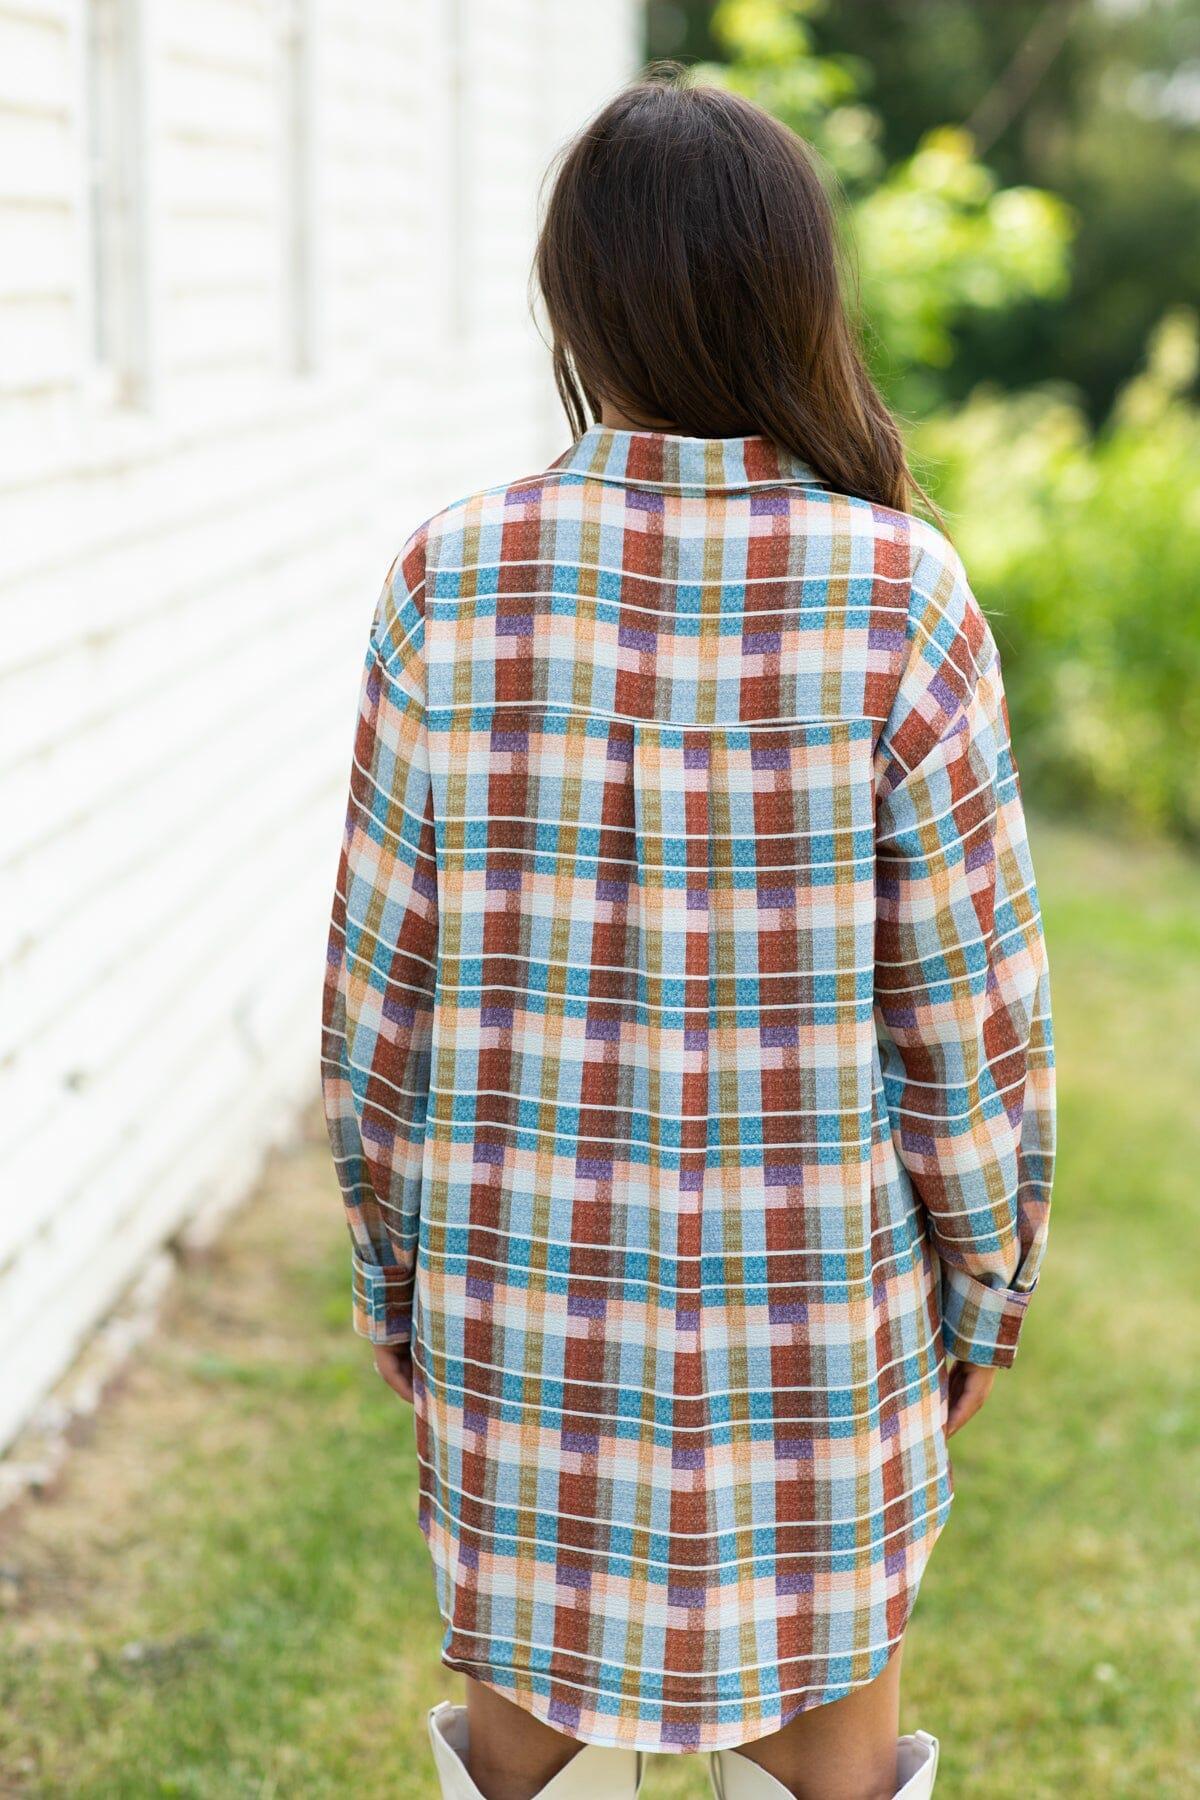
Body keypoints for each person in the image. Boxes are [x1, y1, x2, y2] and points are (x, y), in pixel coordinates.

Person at [320, 70, 1055, 1800]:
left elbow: (379, 1002)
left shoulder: (450, 579)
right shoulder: (902, 596)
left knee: (533, 1769)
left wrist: (391, 1263)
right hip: (824, 1318)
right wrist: (983, 1290)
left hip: (516, 1294)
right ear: (799, 294)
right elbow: (974, 1028)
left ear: (576, 304)